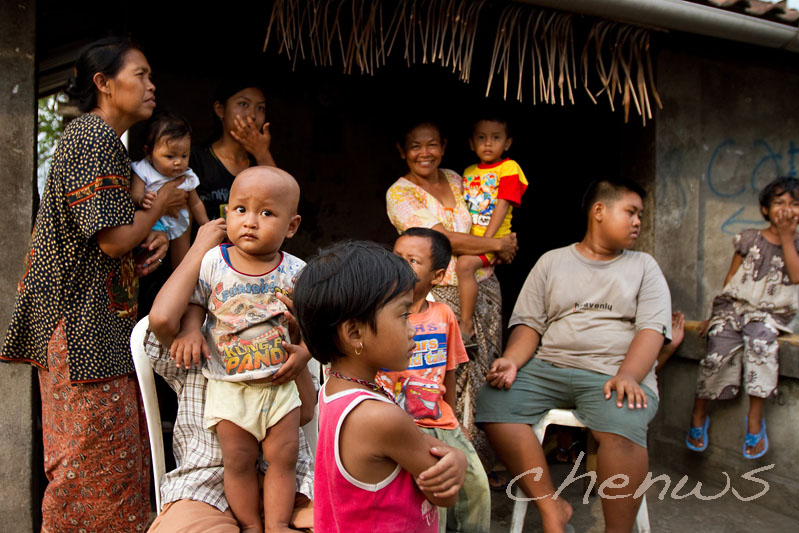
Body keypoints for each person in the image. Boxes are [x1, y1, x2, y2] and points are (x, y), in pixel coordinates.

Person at [0, 37, 187, 531]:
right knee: (90, 467)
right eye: (141, 75)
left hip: (95, 331)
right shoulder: (92, 139)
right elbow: (111, 241)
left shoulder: (105, 144)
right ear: (104, 84)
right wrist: (164, 204)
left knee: (107, 463)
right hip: (80, 334)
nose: (151, 85)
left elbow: (110, 245)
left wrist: (151, 243)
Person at [476, 178, 672, 533]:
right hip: (549, 367)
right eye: (631, 212)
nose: (638, 222)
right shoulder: (552, 262)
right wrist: (512, 360)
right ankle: (553, 511)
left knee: (623, 422)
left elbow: (651, 331)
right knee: (495, 399)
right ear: (599, 211)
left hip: (613, 373)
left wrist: (629, 374)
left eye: (639, 215)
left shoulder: (644, 267)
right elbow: (529, 326)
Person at [149, 167, 307, 532]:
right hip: (228, 388)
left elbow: (314, 318)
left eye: (266, 213)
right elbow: (195, 303)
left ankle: (278, 524)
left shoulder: (296, 271)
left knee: (282, 460)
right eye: (240, 210)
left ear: (292, 226)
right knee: (237, 461)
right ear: (225, 215)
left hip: (279, 388)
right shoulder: (211, 263)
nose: (250, 221)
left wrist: (306, 353)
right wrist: (190, 330)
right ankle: (250, 524)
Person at [292, 240, 467, 532]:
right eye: (402, 315)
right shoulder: (379, 417)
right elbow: (444, 494)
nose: (412, 328)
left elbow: (416, 444)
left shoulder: (334, 391)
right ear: (354, 333)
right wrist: (458, 460)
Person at [386, 119, 518, 469]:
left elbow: (486, 217)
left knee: (484, 374)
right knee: (443, 380)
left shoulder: (459, 179)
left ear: (443, 146)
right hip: (438, 296)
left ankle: (484, 465)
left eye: (431, 144)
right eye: (415, 146)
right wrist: (498, 244)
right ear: (402, 151)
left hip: (484, 286)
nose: (424, 152)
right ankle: (442, 459)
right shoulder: (399, 193)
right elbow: (443, 241)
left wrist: (497, 244)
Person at [376, 227, 491, 533]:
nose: (400, 266)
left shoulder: (443, 316)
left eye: (411, 260)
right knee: (432, 499)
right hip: (399, 423)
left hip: (440, 420)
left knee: (477, 487)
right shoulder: (377, 315)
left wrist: (453, 419)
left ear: (437, 277)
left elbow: (450, 371)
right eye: (396, 257)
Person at [686, 177, 799, 459]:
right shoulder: (749, 238)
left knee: (761, 344)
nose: (787, 209)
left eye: (795, 204)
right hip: (735, 308)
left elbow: (796, 276)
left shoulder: (798, 243)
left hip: (771, 315)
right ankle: (699, 412)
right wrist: (714, 316)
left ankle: (755, 419)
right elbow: (730, 279)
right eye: (780, 203)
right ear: (765, 209)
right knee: (717, 349)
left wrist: (787, 237)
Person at [457, 116, 528, 343]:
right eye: (481, 138)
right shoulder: (468, 172)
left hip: (495, 237)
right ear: (471, 143)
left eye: (495, 138)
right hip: (472, 239)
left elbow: (502, 204)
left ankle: (466, 325)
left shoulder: (509, 168)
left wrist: (486, 241)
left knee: (465, 265)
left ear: (507, 143)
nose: (488, 143)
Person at [132, 111, 211, 267]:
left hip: (177, 220)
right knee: (147, 253)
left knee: (182, 258)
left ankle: (181, 271)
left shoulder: (186, 175)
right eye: (170, 156)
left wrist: (207, 226)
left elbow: (195, 203)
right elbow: (134, 194)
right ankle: (142, 266)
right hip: (151, 221)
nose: (178, 162)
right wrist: (141, 199)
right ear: (149, 153)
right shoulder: (143, 170)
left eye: (184, 156)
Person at [192, 79, 276, 221]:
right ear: (220, 109)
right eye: (243, 104)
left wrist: (263, 154)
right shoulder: (195, 159)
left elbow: (282, 205)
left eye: (260, 108)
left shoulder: (261, 166)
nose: (253, 115)